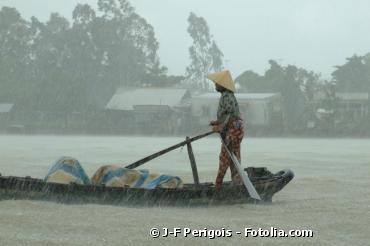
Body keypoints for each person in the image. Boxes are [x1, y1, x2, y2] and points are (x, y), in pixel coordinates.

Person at [207, 70, 244, 190]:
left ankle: (218, 186)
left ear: (223, 85)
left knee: (225, 157)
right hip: (234, 129)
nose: (215, 85)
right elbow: (227, 115)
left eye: (217, 83)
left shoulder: (227, 96)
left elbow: (231, 116)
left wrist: (220, 127)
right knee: (233, 157)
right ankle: (237, 184)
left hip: (234, 130)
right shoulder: (226, 95)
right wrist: (217, 122)